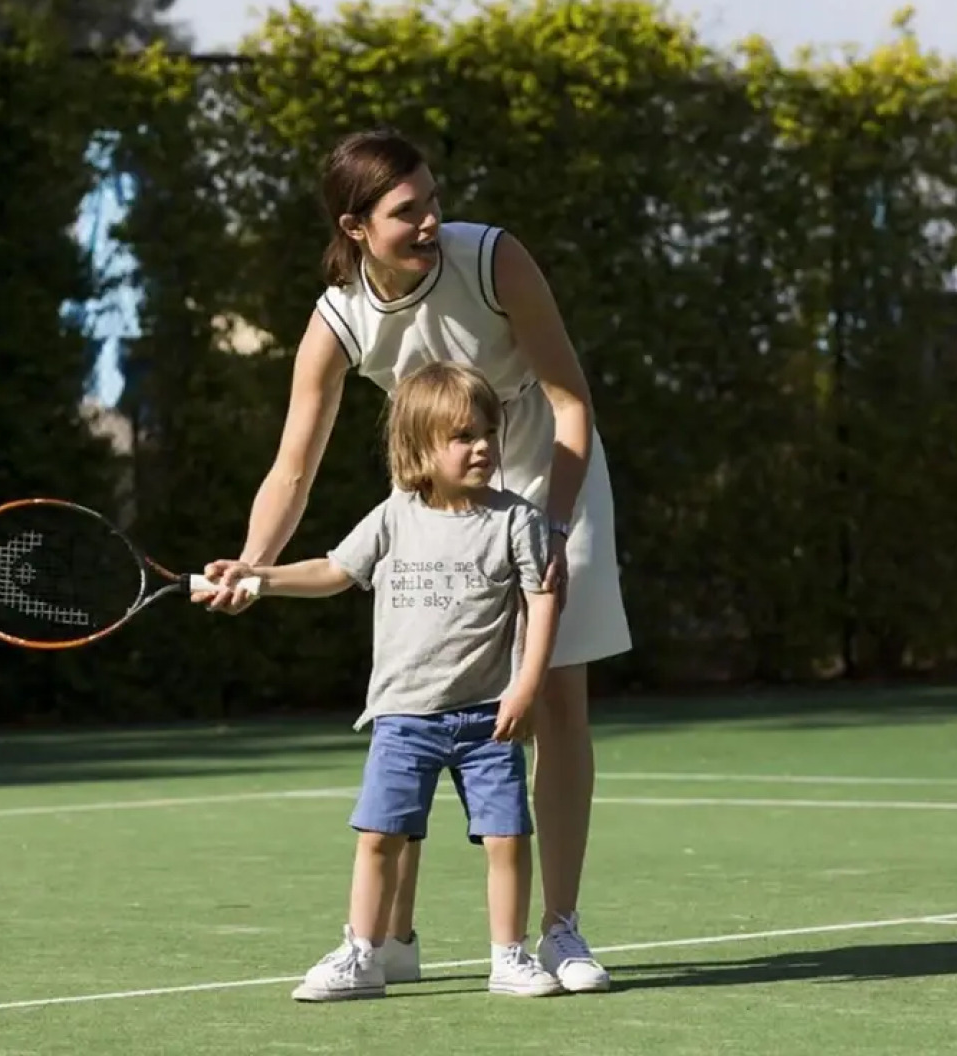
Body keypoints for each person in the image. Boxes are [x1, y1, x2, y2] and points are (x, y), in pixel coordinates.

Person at [193, 127, 631, 994]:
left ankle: (559, 932)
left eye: (433, 199)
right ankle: (390, 942)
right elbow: (293, 465)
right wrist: (250, 564)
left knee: (555, 699)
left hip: (550, 470)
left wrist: (545, 521)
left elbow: (570, 400)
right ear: (356, 228)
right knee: (428, 692)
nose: (432, 219)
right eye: (407, 210)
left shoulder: (493, 258)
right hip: (440, 494)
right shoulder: (337, 318)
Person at [204, 362, 565, 1001]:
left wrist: (526, 685)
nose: (481, 446)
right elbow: (334, 571)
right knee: (379, 839)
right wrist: (258, 575)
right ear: (420, 447)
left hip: (488, 716)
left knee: (508, 838)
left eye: (488, 431)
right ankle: (362, 955)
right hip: (402, 717)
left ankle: (510, 957)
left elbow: (543, 600)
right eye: (462, 436)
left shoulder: (518, 521)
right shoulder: (394, 517)